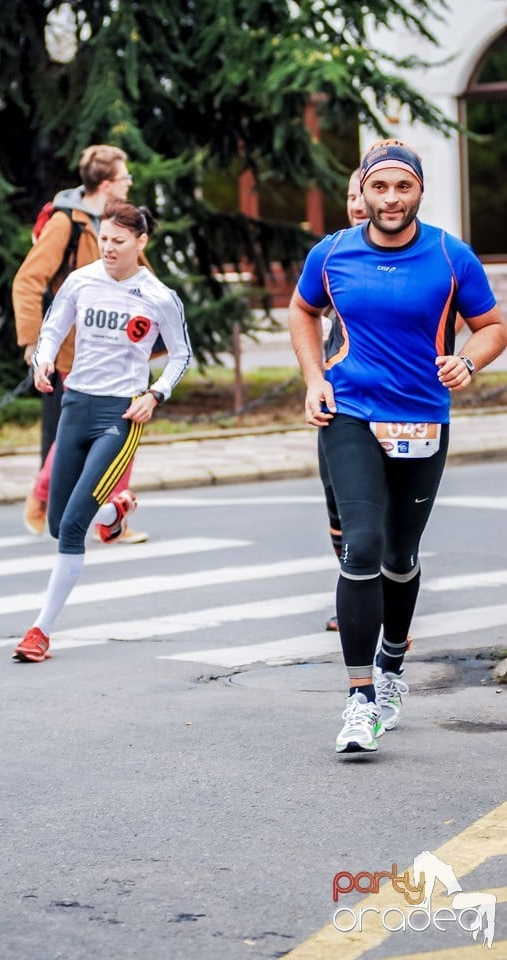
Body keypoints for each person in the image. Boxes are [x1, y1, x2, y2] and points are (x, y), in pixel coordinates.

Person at [288, 139, 506, 754]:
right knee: (362, 548)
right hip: (351, 413)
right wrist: (314, 377)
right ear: (364, 191)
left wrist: (468, 361)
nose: (390, 199)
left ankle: (391, 669)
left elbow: (492, 326)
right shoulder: (331, 253)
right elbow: (302, 311)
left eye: (401, 187)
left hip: (421, 420)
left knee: (400, 558)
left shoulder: (448, 254)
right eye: (379, 187)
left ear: (417, 192)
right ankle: (359, 700)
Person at [12, 201, 192, 663]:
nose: (109, 249)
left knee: (71, 528)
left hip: (120, 415)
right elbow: (53, 330)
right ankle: (113, 515)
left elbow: (180, 355)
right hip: (75, 405)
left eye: (119, 241)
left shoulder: (157, 295)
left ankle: (40, 631)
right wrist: (43, 359)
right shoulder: (81, 280)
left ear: (140, 242)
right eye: (105, 239)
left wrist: (156, 395)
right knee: (56, 525)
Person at [13, 144, 149, 543]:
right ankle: (43, 497)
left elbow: (138, 275)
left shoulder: (118, 222)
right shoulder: (67, 224)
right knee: (83, 433)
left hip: (122, 348)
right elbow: (28, 280)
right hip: (79, 350)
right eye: (125, 178)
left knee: (122, 429)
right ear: (107, 185)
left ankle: (111, 519)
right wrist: (34, 343)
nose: (129, 184)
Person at [320, 168, 367, 632]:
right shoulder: (334, 253)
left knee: (377, 509)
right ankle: (353, 588)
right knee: (337, 502)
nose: (355, 204)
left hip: (389, 402)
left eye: (362, 194)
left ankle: (388, 606)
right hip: (336, 396)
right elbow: (304, 308)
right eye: (351, 196)